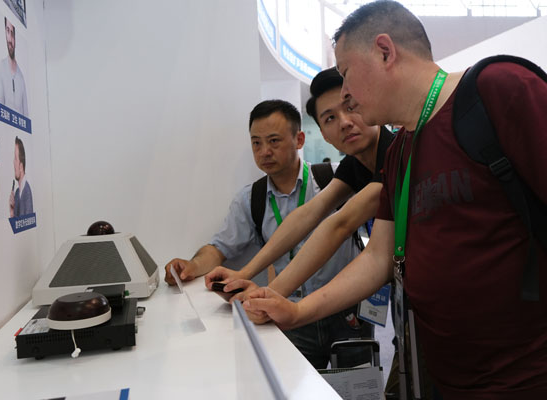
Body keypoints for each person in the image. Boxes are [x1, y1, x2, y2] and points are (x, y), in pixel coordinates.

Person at [243, 1, 547, 398]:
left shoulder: (498, 89)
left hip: (527, 377)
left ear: (385, 51)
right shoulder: (402, 149)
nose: (346, 95)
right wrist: (298, 310)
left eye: (346, 74)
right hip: (447, 378)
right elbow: (378, 256)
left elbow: (339, 223)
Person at [164, 99, 361, 368]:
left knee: (357, 383)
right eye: (256, 143)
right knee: (294, 383)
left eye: (274, 141)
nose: (264, 151)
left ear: (299, 139)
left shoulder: (334, 181)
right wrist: (192, 266)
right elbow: (219, 248)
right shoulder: (252, 199)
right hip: (288, 311)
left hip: (345, 310)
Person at [206, 68, 392, 316]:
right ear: (323, 134)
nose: (345, 122)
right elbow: (309, 214)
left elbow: (340, 224)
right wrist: (247, 275)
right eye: (329, 118)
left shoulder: (396, 155)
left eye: (350, 107)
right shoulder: (354, 164)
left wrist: (281, 302)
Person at [0, 17, 28, 116]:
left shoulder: (21, 77)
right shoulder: (1, 67)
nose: (10, 39)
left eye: (12, 33)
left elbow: (26, 115)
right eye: (7, 31)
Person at [9, 136, 33, 217]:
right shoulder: (16, 193)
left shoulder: (27, 192)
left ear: (21, 167)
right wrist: (12, 211)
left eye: (15, 159)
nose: (13, 163)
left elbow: (28, 223)